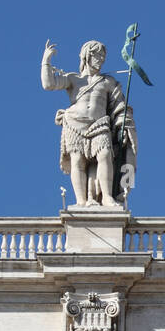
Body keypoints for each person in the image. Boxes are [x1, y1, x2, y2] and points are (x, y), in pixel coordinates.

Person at [41, 40, 134, 208]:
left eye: (103, 56)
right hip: (75, 123)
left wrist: (123, 124)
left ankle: (106, 197)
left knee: (105, 155)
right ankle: (81, 201)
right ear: (87, 56)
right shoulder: (73, 79)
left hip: (99, 124)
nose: (101, 59)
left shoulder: (108, 82)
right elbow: (48, 84)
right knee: (77, 161)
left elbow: (120, 106)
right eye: (97, 55)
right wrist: (46, 61)